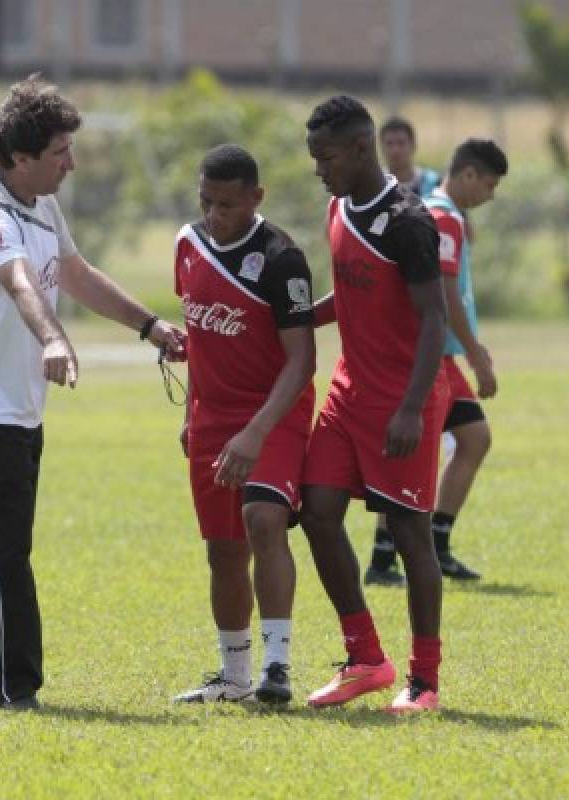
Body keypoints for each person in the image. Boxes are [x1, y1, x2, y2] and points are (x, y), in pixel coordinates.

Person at [0, 75, 185, 711]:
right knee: (8, 545)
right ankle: (16, 687)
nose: (71, 163)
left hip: (18, 402)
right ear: (19, 156)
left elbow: (75, 274)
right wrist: (54, 339)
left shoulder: (41, 203)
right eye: (60, 152)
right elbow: (19, 282)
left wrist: (149, 325)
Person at [301, 95, 449, 713]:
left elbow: (434, 320)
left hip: (403, 399)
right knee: (316, 510)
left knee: (412, 535)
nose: (318, 169)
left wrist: (412, 409)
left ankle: (425, 681)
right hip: (348, 391)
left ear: (360, 149)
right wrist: (295, 320)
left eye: (325, 156)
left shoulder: (411, 222)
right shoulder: (338, 207)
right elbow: (350, 292)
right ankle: (366, 657)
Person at [171, 144, 316, 706]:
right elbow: (202, 340)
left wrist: (255, 431)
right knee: (224, 550)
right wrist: (191, 415)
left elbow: (302, 360)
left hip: (273, 412)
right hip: (212, 419)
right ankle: (233, 678)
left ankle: (276, 668)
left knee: (262, 518)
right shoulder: (187, 246)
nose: (215, 214)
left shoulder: (281, 258)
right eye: (207, 202)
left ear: (256, 198)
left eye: (228, 205)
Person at [366, 139, 508, 586]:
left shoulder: (439, 212)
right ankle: (385, 559)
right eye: (489, 183)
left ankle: (434, 544)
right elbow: (444, 290)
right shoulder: (443, 217)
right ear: (467, 175)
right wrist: (476, 353)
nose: (491, 194)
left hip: (439, 356)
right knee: (419, 451)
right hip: (431, 358)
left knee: (473, 438)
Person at [380, 116, 440, 198]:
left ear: (414, 145)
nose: (395, 150)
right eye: (389, 144)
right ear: (381, 147)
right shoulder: (375, 185)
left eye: (401, 143)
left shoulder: (434, 184)